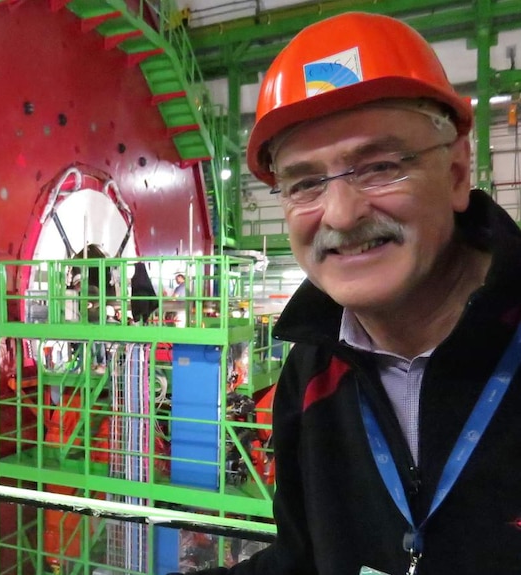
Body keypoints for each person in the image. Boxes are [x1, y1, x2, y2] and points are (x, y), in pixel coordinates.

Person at [183, 12, 521, 575]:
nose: (341, 214)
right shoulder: (311, 371)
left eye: (381, 166)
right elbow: (303, 561)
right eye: (305, 182)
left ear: (458, 173)